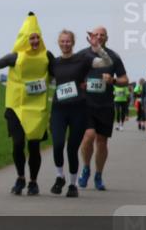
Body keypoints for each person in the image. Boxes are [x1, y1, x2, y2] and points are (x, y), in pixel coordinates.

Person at [0, 13, 51, 196]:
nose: (35, 41)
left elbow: (60, 72)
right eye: (31, 38)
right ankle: (21, 177)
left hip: (36, 108)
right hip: (15, 107)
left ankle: (33, 182)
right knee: (18, 143)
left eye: (37, 37)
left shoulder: (47, 56)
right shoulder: (15, 57)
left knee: (34, 146)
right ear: (24, 39)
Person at [46, 30, 112, 197]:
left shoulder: (83, 59)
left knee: (72, 149)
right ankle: (60, 176)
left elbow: (106, 62)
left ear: (73, 42)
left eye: (68, 41)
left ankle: (72, 184)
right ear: (58, 42)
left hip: (78, 110)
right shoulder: (54, 62)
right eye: (62, 41)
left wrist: (98, 48)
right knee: (58, 144)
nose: (65, 44)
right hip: (59, 109)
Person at [77, 26, 128, 191]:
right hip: (86, 104)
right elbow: (71, 74)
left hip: (105, 105)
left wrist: (113, 80)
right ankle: (85, 168)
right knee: (88, 135)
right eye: (96, 34)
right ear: (91, 36)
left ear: (106, 38)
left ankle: (98, 174)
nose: (98, 37)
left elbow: (125, 79)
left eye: (102, 35)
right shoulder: (82, 55)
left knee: (102, 141)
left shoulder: (113, 57)